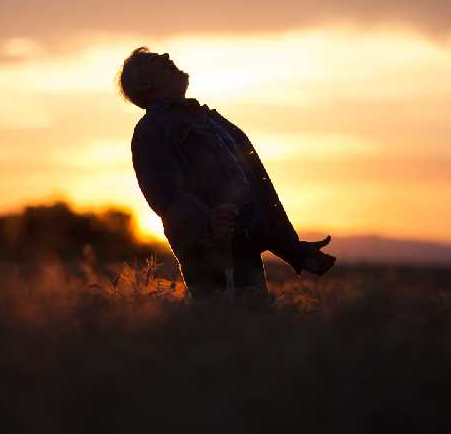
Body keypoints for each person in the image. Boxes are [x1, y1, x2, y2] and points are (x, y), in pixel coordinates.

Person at [118, 47, 335, 299]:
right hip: (207, 252)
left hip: (244, 247)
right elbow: (166, 197)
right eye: (156, 60)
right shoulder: (151, 130)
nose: (167, 57)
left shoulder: (214, 121)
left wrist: (292, 248)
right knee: (223, 326)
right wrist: (208, 220)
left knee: (252, 327)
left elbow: (258, 190)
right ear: (146, 83)